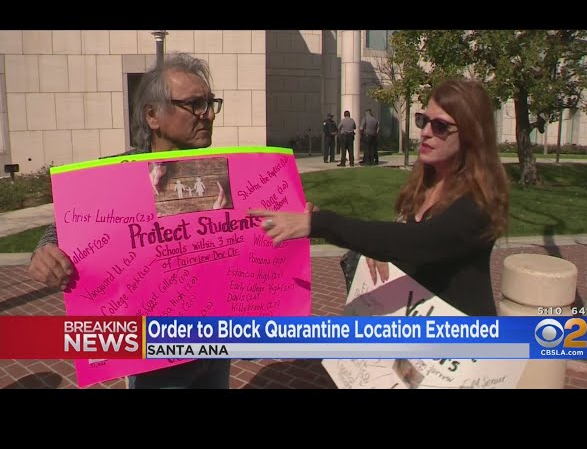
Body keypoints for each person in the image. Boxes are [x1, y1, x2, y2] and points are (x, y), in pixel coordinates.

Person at [28, 52, 231, 388]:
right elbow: (64, 228)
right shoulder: (117, 175)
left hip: (216, 342)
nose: (208, 114)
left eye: (210, 103)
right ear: (153, 116)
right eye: (195, 104)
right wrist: (45, 252)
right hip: (156, 355)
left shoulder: (222, 171)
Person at [250, 79, 509, 316]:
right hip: (421, 332)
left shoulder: (478, 204)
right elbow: (400, 242)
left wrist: (321, 223)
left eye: (440, 126)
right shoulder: (424, 186)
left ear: (471, 135)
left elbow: (421, 242)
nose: (425, 132)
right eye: (423, 120)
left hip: (464, 342)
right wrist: (378, 250)